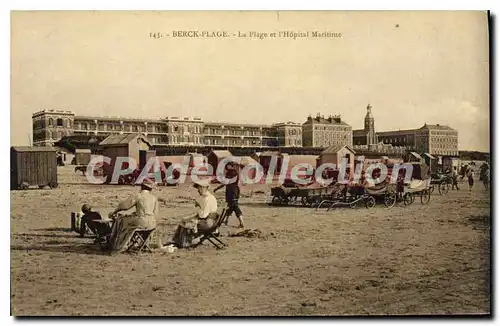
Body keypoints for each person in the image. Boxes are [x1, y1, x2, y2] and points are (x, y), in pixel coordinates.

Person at [107, 178, 159, 254]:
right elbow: (155, 213)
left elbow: (124, 206)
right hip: (152, 223)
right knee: (130, 220)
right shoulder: (154, 198)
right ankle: (139, 243)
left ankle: (117, 245)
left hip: (141, 221)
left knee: (120, 220)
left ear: (141, 187)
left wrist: (115, 211)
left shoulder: (138, 195)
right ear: (151, 189)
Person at [171, 179, 218, 248]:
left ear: (203, 188)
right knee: (186, 220)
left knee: (186, 223)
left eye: (199, 188)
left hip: (208, 223)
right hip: (211, 221)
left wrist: (197, 212)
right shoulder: (209, 197)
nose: (198, 190)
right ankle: (180, 241)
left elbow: (203, 215)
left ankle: (183, 242)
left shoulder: (207, 199)